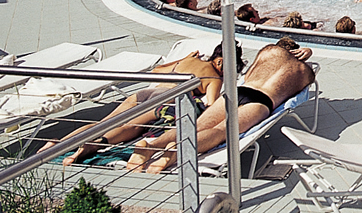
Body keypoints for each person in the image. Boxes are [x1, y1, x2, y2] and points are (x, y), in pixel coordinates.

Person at [128, 41, 316, 173]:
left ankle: (151, 145)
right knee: (219, 132)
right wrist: (308, 54)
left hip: (239, 91)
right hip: (262, 100)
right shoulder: (304, 71)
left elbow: (248, 75)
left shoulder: (268, 51)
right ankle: (175, 151)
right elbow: (297, 93)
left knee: (197, 126)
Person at [59, 42, 242, 165]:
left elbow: (157, 70)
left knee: (103, 123)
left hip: (145, 93)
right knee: (131, 125)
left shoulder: (190, 59)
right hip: (164, 98)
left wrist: (183, 59)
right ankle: (95, 145)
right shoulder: (213, 77)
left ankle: (55, 145)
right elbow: (210, 106)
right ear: (220, 61)